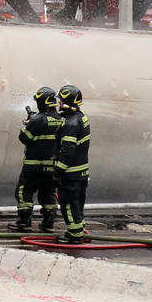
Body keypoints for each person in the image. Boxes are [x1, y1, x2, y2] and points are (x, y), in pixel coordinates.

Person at [17, 86, 63, 232]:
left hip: (33, 166)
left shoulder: (38, 120)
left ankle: (24, 222)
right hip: (52, 168)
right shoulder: (61, 120)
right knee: (48, 193)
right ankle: (48, 223)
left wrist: (28, 124)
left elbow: (24, 138)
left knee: (24, 192)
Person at [54, 84, 93, 244]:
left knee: (68, 204)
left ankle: (75, 235)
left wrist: (58, 172)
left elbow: (67, 150)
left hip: (71, 173)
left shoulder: (70, 124)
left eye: (61, 101)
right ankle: (79, 227)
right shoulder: (82, 117)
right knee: (78, 203)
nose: (59, 104)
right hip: (82, 172)